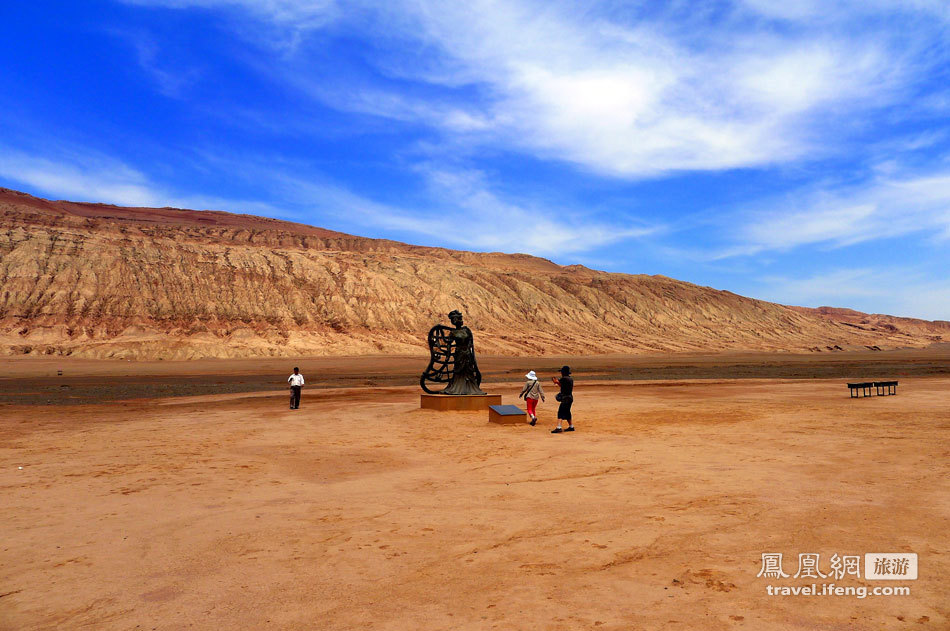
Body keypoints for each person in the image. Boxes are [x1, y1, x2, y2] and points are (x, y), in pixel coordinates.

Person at [550, 365, 574, 433]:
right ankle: (571, 426)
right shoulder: (570, 379)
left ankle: (559, 427)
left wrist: (556, 381)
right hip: (570, 397)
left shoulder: (564, 379)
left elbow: (559, 383)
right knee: (567, 412)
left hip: (565, 398)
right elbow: (562, 385)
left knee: (560, 412)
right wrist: (557, 382)